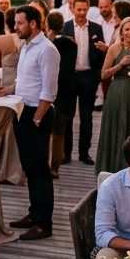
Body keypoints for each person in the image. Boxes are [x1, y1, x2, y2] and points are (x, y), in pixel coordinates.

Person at [10, 6, 60, 239]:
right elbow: (24, 81)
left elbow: (49, 90)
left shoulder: (47, 50)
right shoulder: (27, 46)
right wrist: (6, 90)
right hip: (22, 111)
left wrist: (38, 117)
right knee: (29, 168)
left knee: (40, 170)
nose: (15, 27)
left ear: (32, 24)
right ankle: (33, 213)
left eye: (19, 23)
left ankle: (44, 224)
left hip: (37, 114)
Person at [94, 17, 130, 174]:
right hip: (117, 91)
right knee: (116, 127)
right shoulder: (114, 48)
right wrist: (120, 65)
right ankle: (112, 167)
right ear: (121, 32)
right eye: (127, 29)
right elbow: (104, 74)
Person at [62, 0, 106, 165]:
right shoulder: (65, 27)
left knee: (86, 117)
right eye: (78, 9)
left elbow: (100, 52)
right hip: (70, 77)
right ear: (72, 9)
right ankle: (66, 153)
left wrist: (97, 73)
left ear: (88, 9)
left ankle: (84, 153)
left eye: (84, 9)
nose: (81, 13)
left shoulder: (96, 28)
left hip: (88, 76)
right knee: (68, 116)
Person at [45, 11, 76, 178]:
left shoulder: (49, 45)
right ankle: (55, 168)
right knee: (59, 134)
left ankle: (46, 165)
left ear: (47, 25)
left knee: (48, 133)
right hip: (67, 93)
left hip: (53, 92)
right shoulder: (72, 44)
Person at [0, 12, 23, 91]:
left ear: (6, 24)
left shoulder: (2, 39)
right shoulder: (28, 40)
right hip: (24, 84)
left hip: (6, 85)